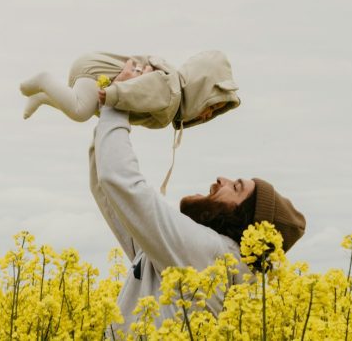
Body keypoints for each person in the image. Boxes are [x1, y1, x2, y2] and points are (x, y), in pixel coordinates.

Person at [90, 60, 306, 333]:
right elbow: (111, 193)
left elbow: (122, 183)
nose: (221, 179)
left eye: (236, 188)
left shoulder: (210, 254)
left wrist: (118, 101)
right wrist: (108, 109)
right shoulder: (194, 256)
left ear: (243, 223)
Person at [22, 51, 241, 193]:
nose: (206, 115)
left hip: (96, 75)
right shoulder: (169, 90)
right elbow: (142, 89)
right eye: (210, 106)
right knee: (80, 111)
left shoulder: (171, 95)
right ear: (200, 90)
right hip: (98, 74)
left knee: (81, 108)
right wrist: (114, 93)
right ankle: (44, 80)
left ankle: (43, 96)